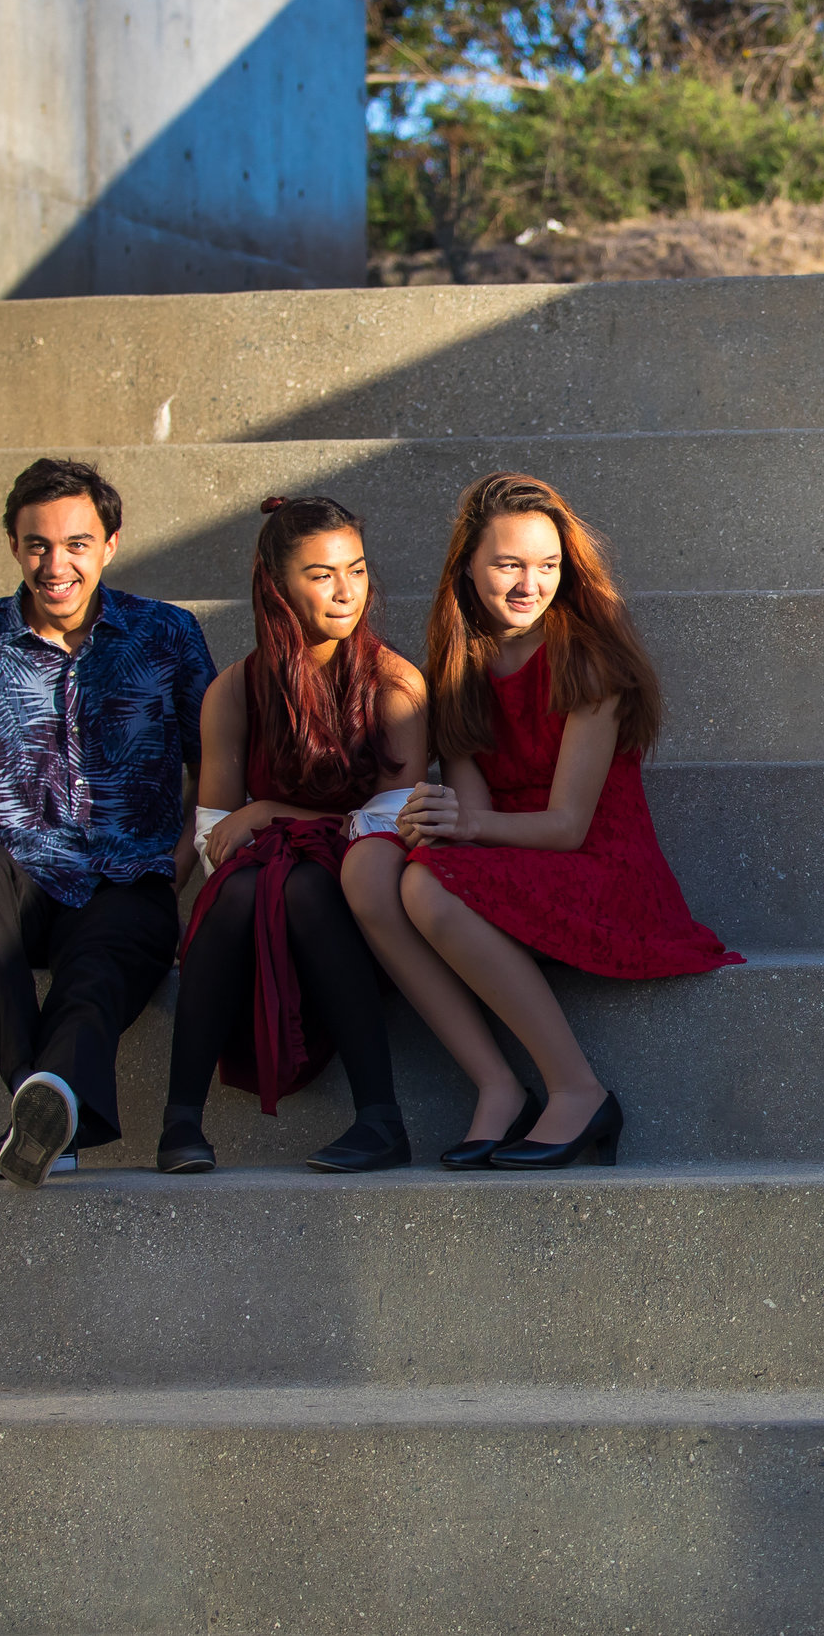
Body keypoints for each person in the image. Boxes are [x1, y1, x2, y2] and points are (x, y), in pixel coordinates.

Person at [343, 471, 740, 1170]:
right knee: (371, 869)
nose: (531, 583)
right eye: (509, 565)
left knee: (428, 884)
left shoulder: (588, 661)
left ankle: (577, 1089)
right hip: (513, 858)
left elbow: (566, 827)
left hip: (603, 873)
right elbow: (475, 811)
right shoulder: (463, 663)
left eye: (549, 565)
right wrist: (435, 816)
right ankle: (496, 1084)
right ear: (468, 566)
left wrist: (460, 828)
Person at [0, 457, 214, 1187]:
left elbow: (213, 773)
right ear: (13, 545)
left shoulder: (169, 636)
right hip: (21, 881)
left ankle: (36, 1111)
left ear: (111, 543)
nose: (56, 564)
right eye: (37, 545)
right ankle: (49, 1100)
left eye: (77, 544)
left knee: (91, 976)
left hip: (133, 881)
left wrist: (182, 881)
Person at [160, 497, 431, 1175]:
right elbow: (215, 837)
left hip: (365, 902)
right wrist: (264, 822)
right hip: (267, 894)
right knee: (240, 887)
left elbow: (391, 821)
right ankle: (180, 1122)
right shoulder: (236, 691)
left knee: (306, 882)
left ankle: (381, 1119)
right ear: (277, 586)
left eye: (358, 569)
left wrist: (271, 812)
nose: (347, 591)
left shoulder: (395, 685)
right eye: (321, 575)